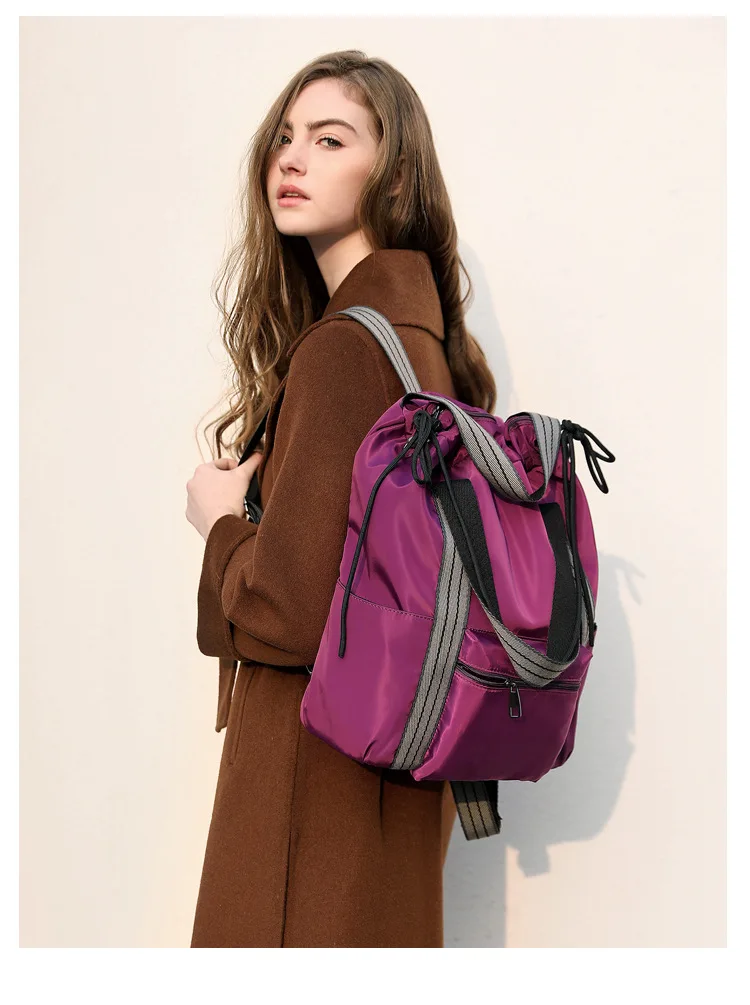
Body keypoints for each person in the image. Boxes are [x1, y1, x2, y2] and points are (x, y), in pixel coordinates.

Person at [185, 49, 497, 948]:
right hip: (392, 784)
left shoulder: (343, 350)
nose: (292, 158)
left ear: (392, 173)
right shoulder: (426, 344)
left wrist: (219, 522)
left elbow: (289, 612)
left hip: (309, 794)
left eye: (330, 140)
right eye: (286, 137)